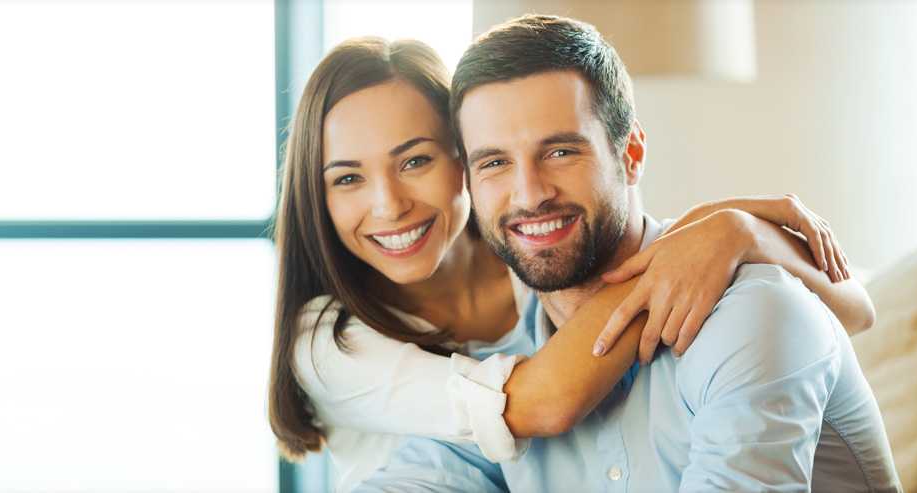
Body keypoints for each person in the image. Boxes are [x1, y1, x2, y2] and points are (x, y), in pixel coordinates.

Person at [268, 35, 876, 493]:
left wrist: (739, 236)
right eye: (497, 162)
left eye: (559, 151)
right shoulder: (358, 347)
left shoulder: (744, 311)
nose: (529, 194)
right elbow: (533, 404)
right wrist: (719, 233)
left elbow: (846, 311)